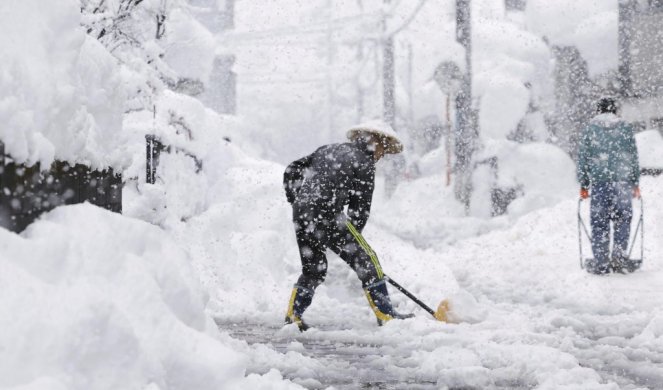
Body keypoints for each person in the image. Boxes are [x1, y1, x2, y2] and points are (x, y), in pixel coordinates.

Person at [282, 121, 414, 331]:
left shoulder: (328, 149)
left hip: (302, 213)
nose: (382, 156)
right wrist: (352, 244)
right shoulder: (364, 162)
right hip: (328, 214)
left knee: (314, 269)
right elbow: (360, 210)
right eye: (383, 150)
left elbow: (292, 169)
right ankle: (386, 315)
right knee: (368, 259)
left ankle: (293, 314)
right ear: (376, 142)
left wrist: (297, 200)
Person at [577, 97, 641, 274]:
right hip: (622, 183)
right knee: (622, 221)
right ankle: (619, 260)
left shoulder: (590, 129)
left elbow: (583, 157)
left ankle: (601, 262)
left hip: (600, 184)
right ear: (614, 110)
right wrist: (635, 183)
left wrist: (584, 184)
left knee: (599, 223)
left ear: (599, 110)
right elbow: (633, 157)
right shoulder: (625, 128)